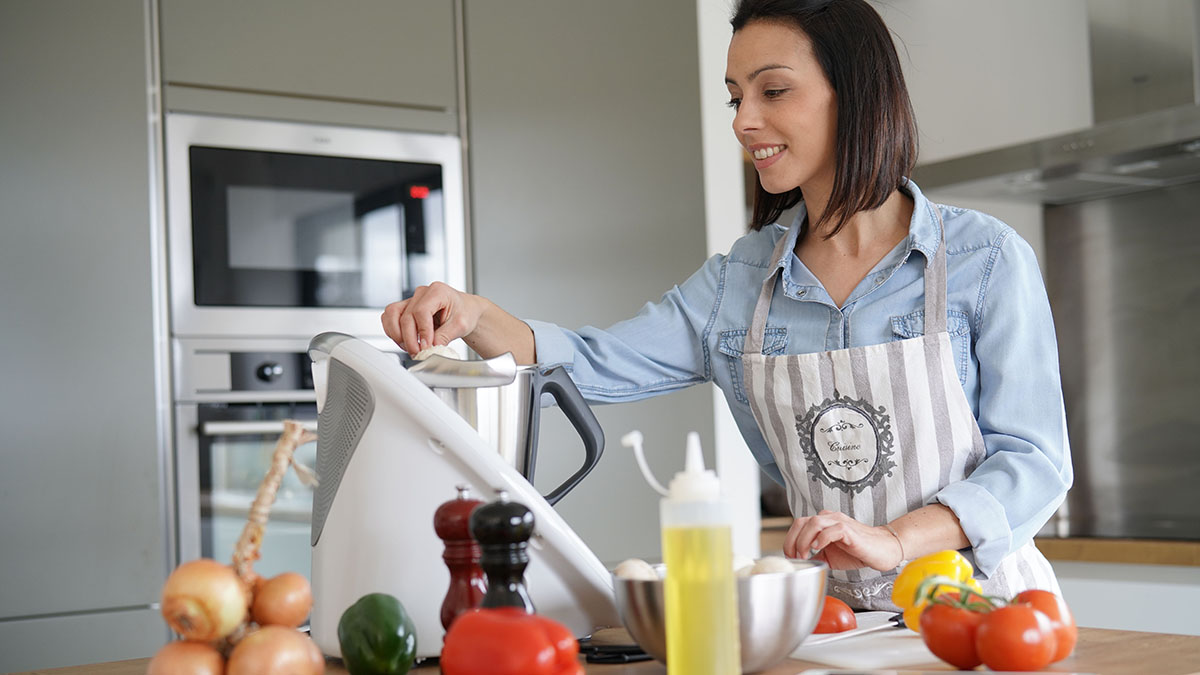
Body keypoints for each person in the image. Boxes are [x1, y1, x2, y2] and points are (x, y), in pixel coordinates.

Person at [382, 0, 1071, 610]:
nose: (745, 121)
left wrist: (895, 540)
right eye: (735, 97)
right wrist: (473, 314)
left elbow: (1036, 459)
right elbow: (589, 364)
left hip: (988, 617)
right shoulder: (738, 284)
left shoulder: (984, 259)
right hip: (831, 625)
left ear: (854, 94)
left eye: (773, 91)